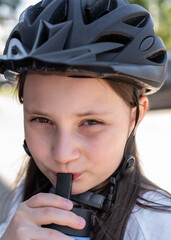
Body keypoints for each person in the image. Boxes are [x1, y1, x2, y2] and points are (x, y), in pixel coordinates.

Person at [0, 0, 170, 239]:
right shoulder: (28, 197)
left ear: (136, 116)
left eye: (91, 122)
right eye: (41, 120)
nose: (62, 155)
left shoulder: (160, 227)